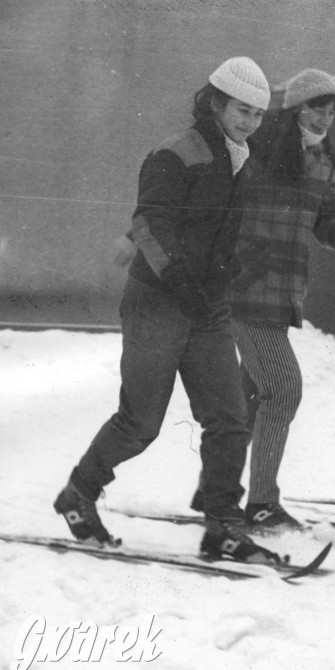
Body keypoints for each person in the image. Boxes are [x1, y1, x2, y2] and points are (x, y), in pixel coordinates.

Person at [54, 57, 282, 564]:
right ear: (217, 101)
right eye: (242, 110)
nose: (249, 122)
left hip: (208, 307)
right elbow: (150, 223)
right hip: (158, 303)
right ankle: (78, 493)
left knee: (230, 416)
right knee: (140, 423)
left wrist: (231, 270)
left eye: (258, 115)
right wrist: (181, 279)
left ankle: (223, 525)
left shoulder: (239, 158)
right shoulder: (177, 152)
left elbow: (221, 232)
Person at [189, 68, 335, 529]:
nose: (324, 118)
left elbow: (324, 219)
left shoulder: (324, 159)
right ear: (295, 108)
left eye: (331, 112)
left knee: (252, 395)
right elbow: (215, 197)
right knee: (283, 387)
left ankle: (214, 489)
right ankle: (262, 502)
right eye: (316, 108)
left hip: (283, 291)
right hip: (243, 287)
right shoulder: (257, 149)